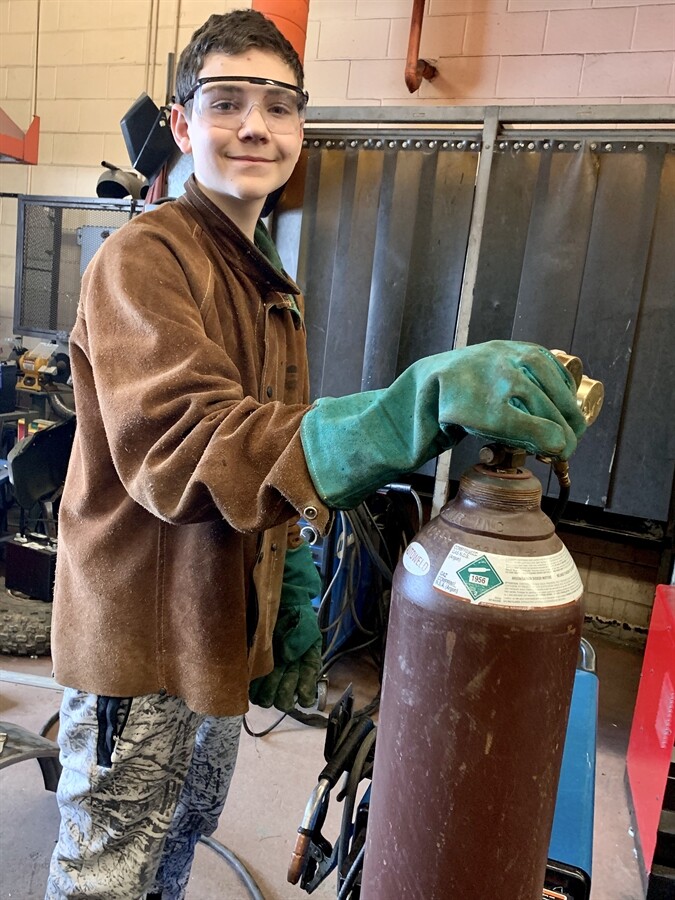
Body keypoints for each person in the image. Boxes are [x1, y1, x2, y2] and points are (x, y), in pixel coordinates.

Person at [46, 9, 586, 899]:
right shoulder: (144, 260)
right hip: (139, 649)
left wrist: (286, 611)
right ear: (181, 125)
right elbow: (189, 449)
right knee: (110, 871)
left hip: (212, 639)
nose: (254, 125)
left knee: (177, 840)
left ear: (301, 128)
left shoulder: (264, 275)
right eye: (225, 102)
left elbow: (275, 464)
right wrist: (406, 410)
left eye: (278, 104)